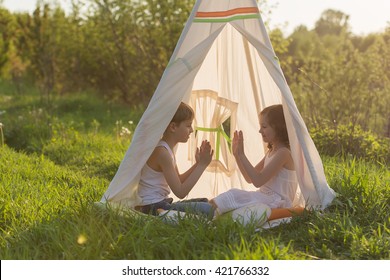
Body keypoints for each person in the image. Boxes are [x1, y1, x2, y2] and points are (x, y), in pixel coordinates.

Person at [209, 104, 304, 221]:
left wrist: (242, 155)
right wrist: (237, 155)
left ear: (279, 127)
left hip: (276, 202)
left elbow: (258, 181)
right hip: (264, 198)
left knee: (236, 195)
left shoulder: (284, 153)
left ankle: (203, 210)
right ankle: (202, 208)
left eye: (264, 127)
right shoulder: (272, 151)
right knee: (236, 196)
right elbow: (249, 178)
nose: (260, 131)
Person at [135, 102, 215, 217]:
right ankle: (164, 216)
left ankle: (168, 214)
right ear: (173, 127)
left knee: (205, 201)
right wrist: (202, 165)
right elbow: (180, 192)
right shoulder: (162, 152)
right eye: (188, 125)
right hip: (152, 207)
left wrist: (197, 164)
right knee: (207, 209)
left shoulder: (168, 149)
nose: (191, 130)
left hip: (162, 202)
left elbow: (179, 180)